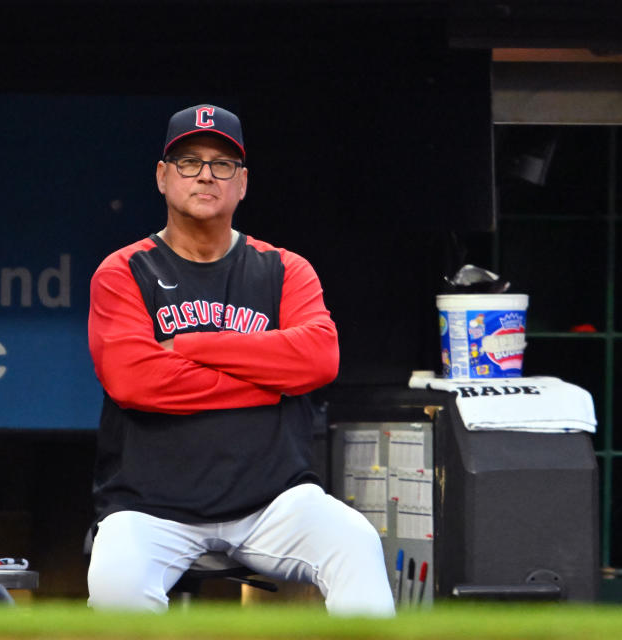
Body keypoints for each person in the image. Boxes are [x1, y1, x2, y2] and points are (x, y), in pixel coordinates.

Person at [86, 104, 395, 616]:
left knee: (355, 542)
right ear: (163, 177)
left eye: (222, 163)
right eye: (189, 161)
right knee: (117, 585)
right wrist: (271, 378)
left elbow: (319, 359)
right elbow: (134, 380)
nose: (206, 173)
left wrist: (191, 345)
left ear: (243, 182)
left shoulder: (284, 269)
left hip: (274, 502)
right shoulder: (124, 271)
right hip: (149, 508)